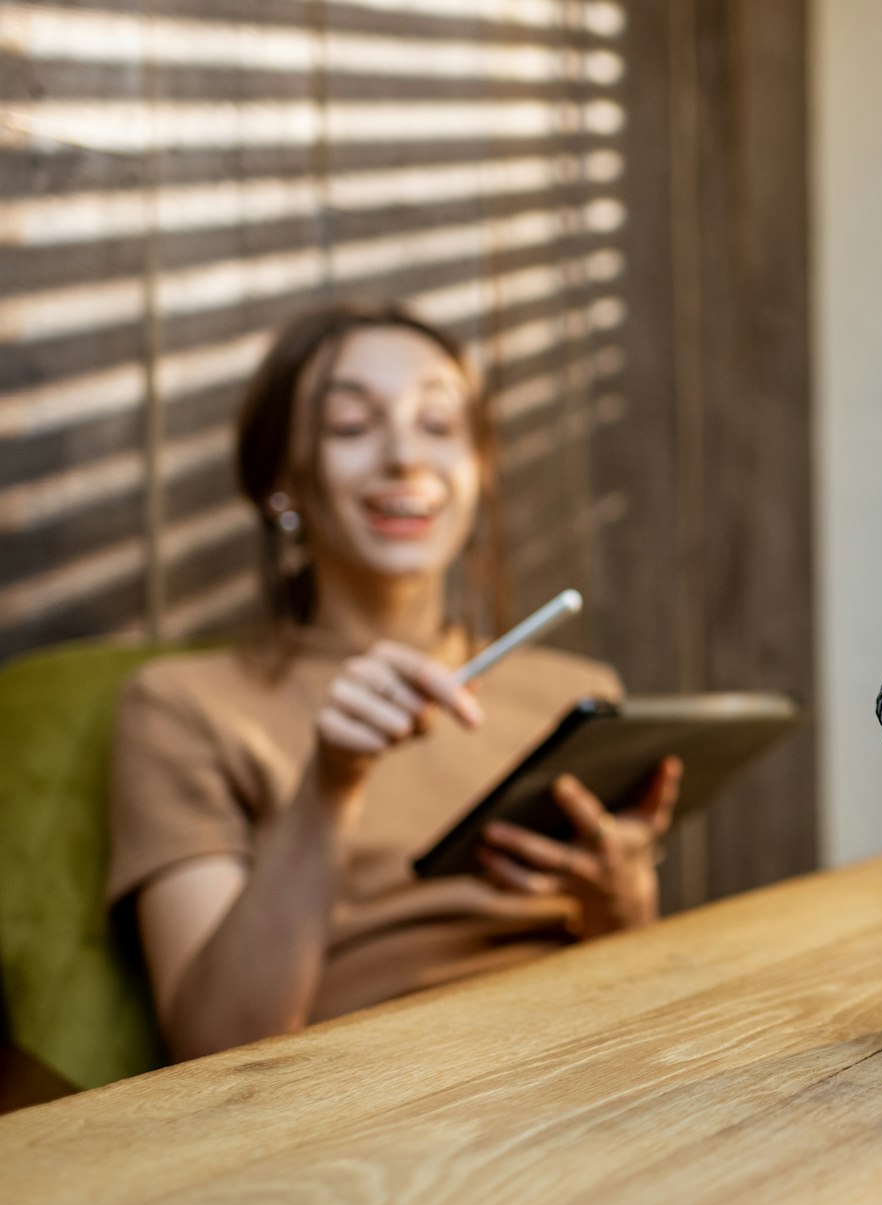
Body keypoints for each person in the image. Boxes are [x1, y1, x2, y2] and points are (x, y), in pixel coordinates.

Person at [106, 303, 680, 1061]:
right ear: (280, 477)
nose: (406, 456)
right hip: (364, 1107)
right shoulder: (182, 704)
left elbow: (635, 989)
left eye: (439, 425)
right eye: (351, 426)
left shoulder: (577, 693)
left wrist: (623, 904)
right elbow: (217, 1044)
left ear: (479, 470)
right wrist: (330, 783)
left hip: (587, 1065)